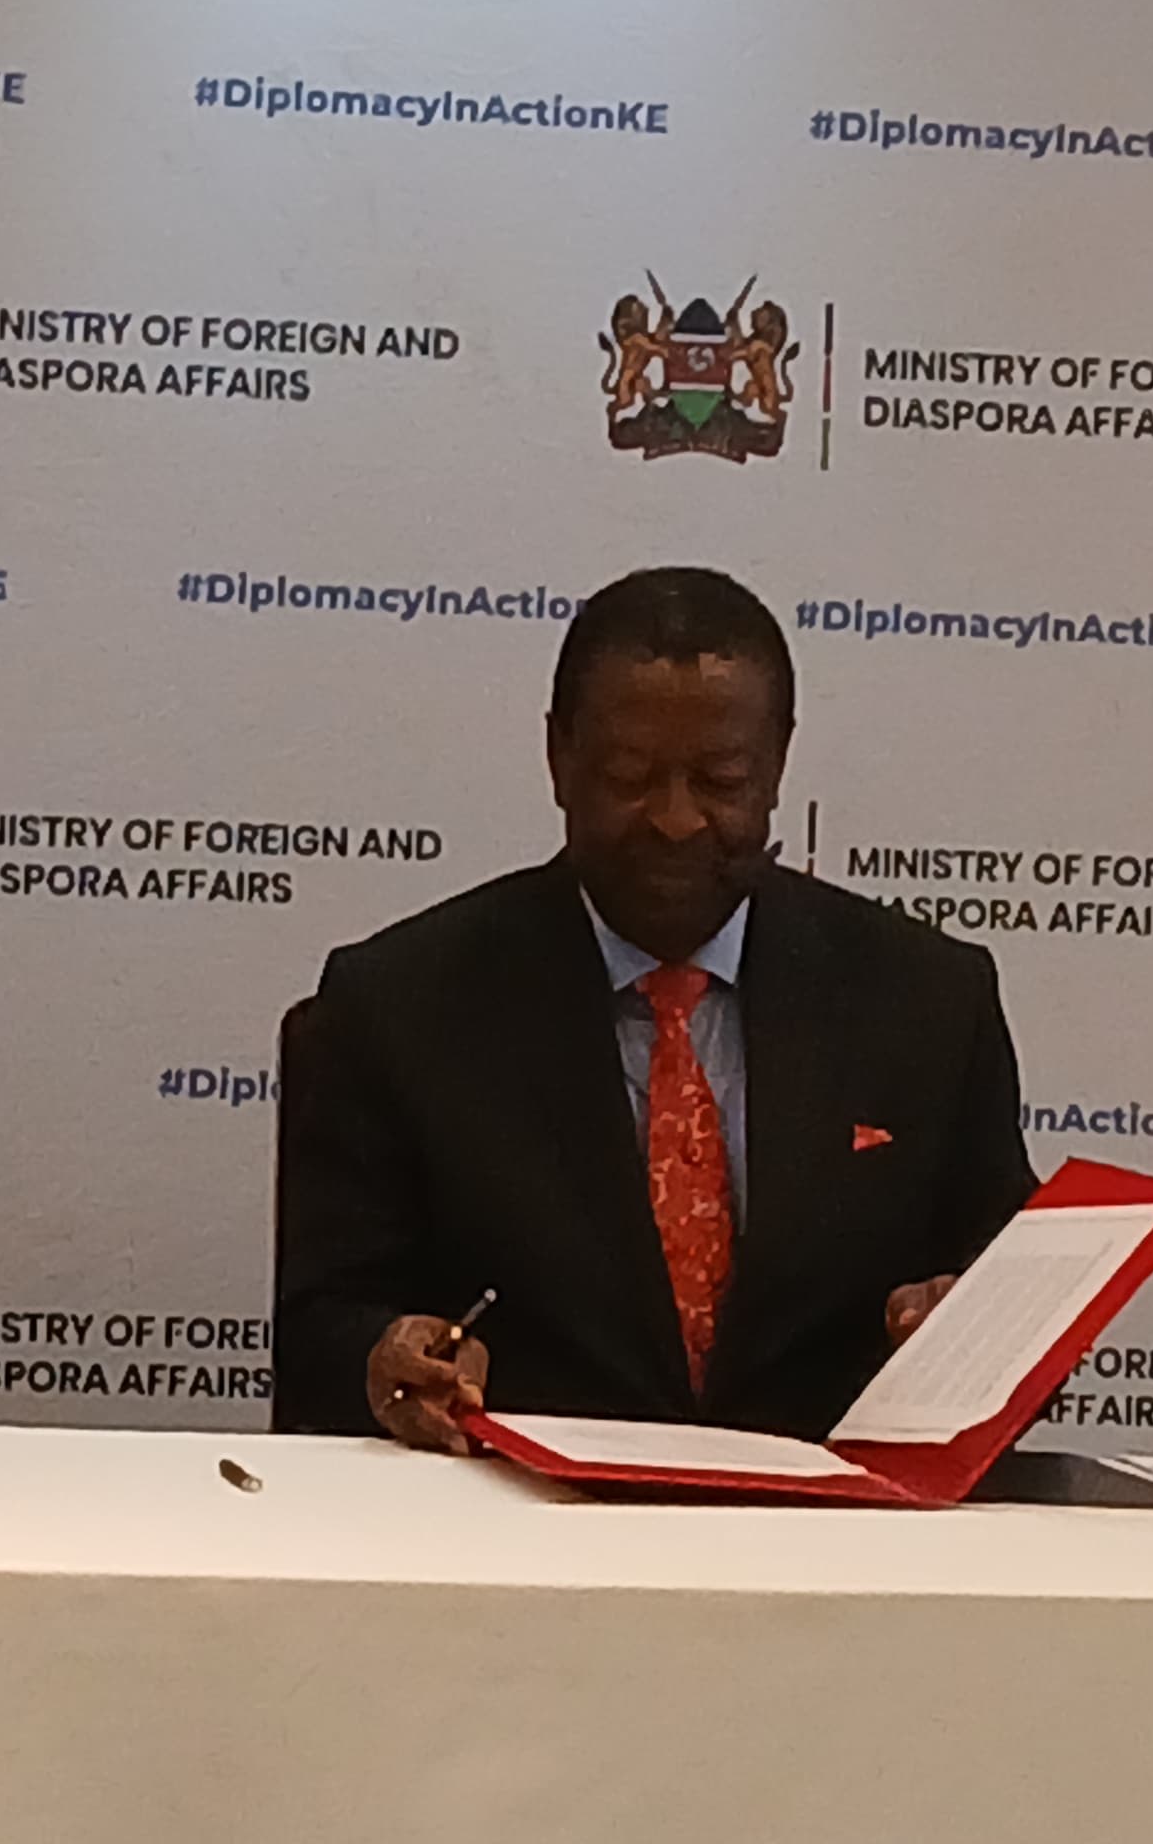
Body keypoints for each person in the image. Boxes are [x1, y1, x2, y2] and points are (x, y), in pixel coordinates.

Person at [273, 566, 1037, 1447]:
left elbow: (1016, 1304)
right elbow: (316, 1339)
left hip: (842, 1544)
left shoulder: (931, 1000)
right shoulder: (397, 1005)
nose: (676, 821)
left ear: (778, 764)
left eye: (720, 779)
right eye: (630, 776)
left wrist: (969, 1330)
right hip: (511, 1539)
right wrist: (386, 1357)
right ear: (559, 759)